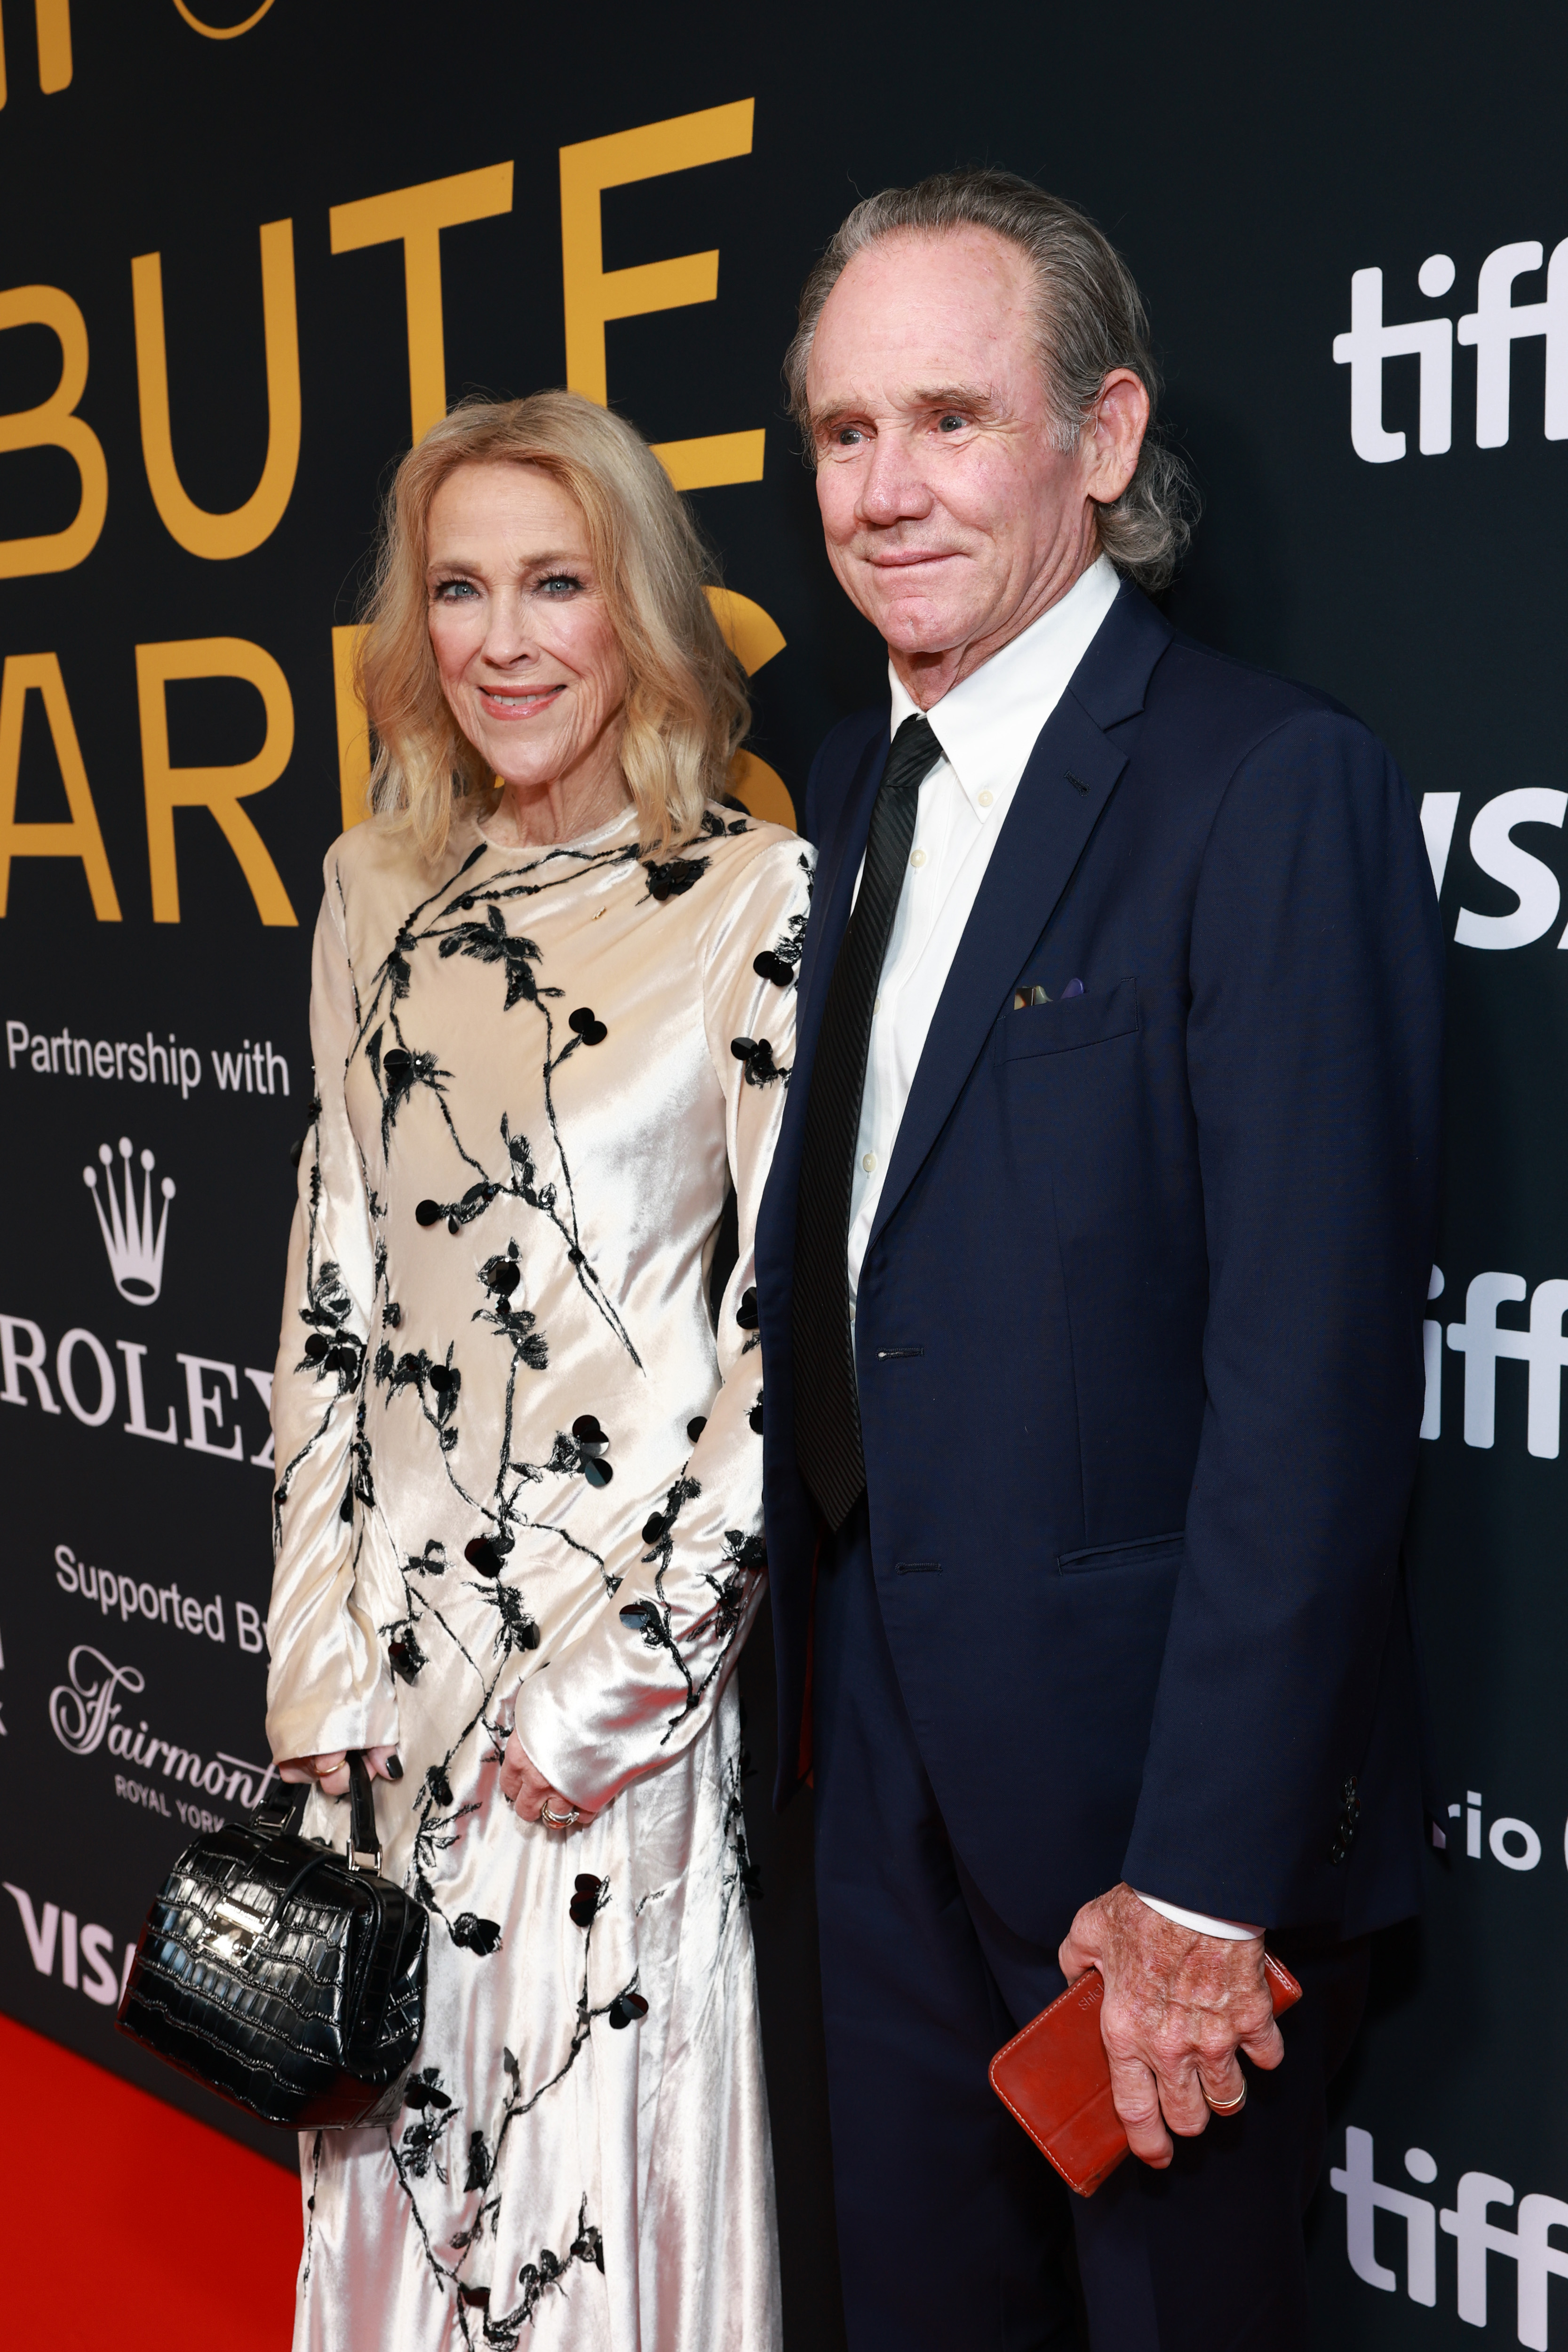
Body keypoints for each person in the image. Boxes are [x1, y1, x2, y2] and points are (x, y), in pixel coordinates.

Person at [754, 170, 1444, 2350]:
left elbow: (1310, 1387)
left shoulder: (1266, 792)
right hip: (863, 1763)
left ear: (1109, 440)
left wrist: (1208, 1881)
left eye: (954, 417)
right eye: (848, 433)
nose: (890, 489)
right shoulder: (850, 794)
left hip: (1141, 1826)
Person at [265, 389, 808, 2351]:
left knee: (588, 2213)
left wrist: (633, 1675)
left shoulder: (753, 900)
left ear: (639, 610)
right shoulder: (373, 892)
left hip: (603, 1705)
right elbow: (333, 1269)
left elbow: (785, 1342)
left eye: (556, 583)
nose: (504, 640)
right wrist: (316, 1641)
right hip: (391, 1693)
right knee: (395, 2184)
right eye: (461, 587)